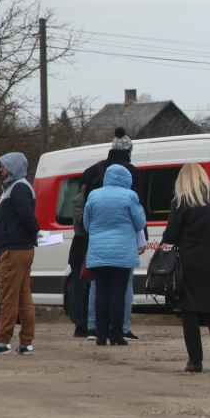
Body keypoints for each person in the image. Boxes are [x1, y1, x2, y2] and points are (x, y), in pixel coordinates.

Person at [163, 163, 210, 373]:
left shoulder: (181, 201)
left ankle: (195, 361)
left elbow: (170, 236)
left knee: (189, 312)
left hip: (188, 261)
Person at [81, 127, 144, 340]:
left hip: (97, 249)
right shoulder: (130, 193)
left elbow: (87, 223)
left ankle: (97, 331)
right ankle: (118, 332)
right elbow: (140, 221)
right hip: (123, 250)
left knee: (98, 289)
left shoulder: (94, 185)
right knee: (119, 290)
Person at [0, 153, 40, 356]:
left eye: (4, 166)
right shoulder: (15, 187)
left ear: (14, 167)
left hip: (14, 250)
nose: (1, 170)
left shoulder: (19, 187)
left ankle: (3, 342)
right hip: (19, 249)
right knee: (24, 297)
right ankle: (25, 343)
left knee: (8, 296)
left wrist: (33, 233)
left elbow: (26, 215)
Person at [67, 191, 90, 337]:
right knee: (79, 287)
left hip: (93, 243)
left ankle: (89, 322)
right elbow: (80, 222)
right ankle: (80, 324)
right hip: (80, 244)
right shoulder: (77, 200)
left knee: (89, 288)